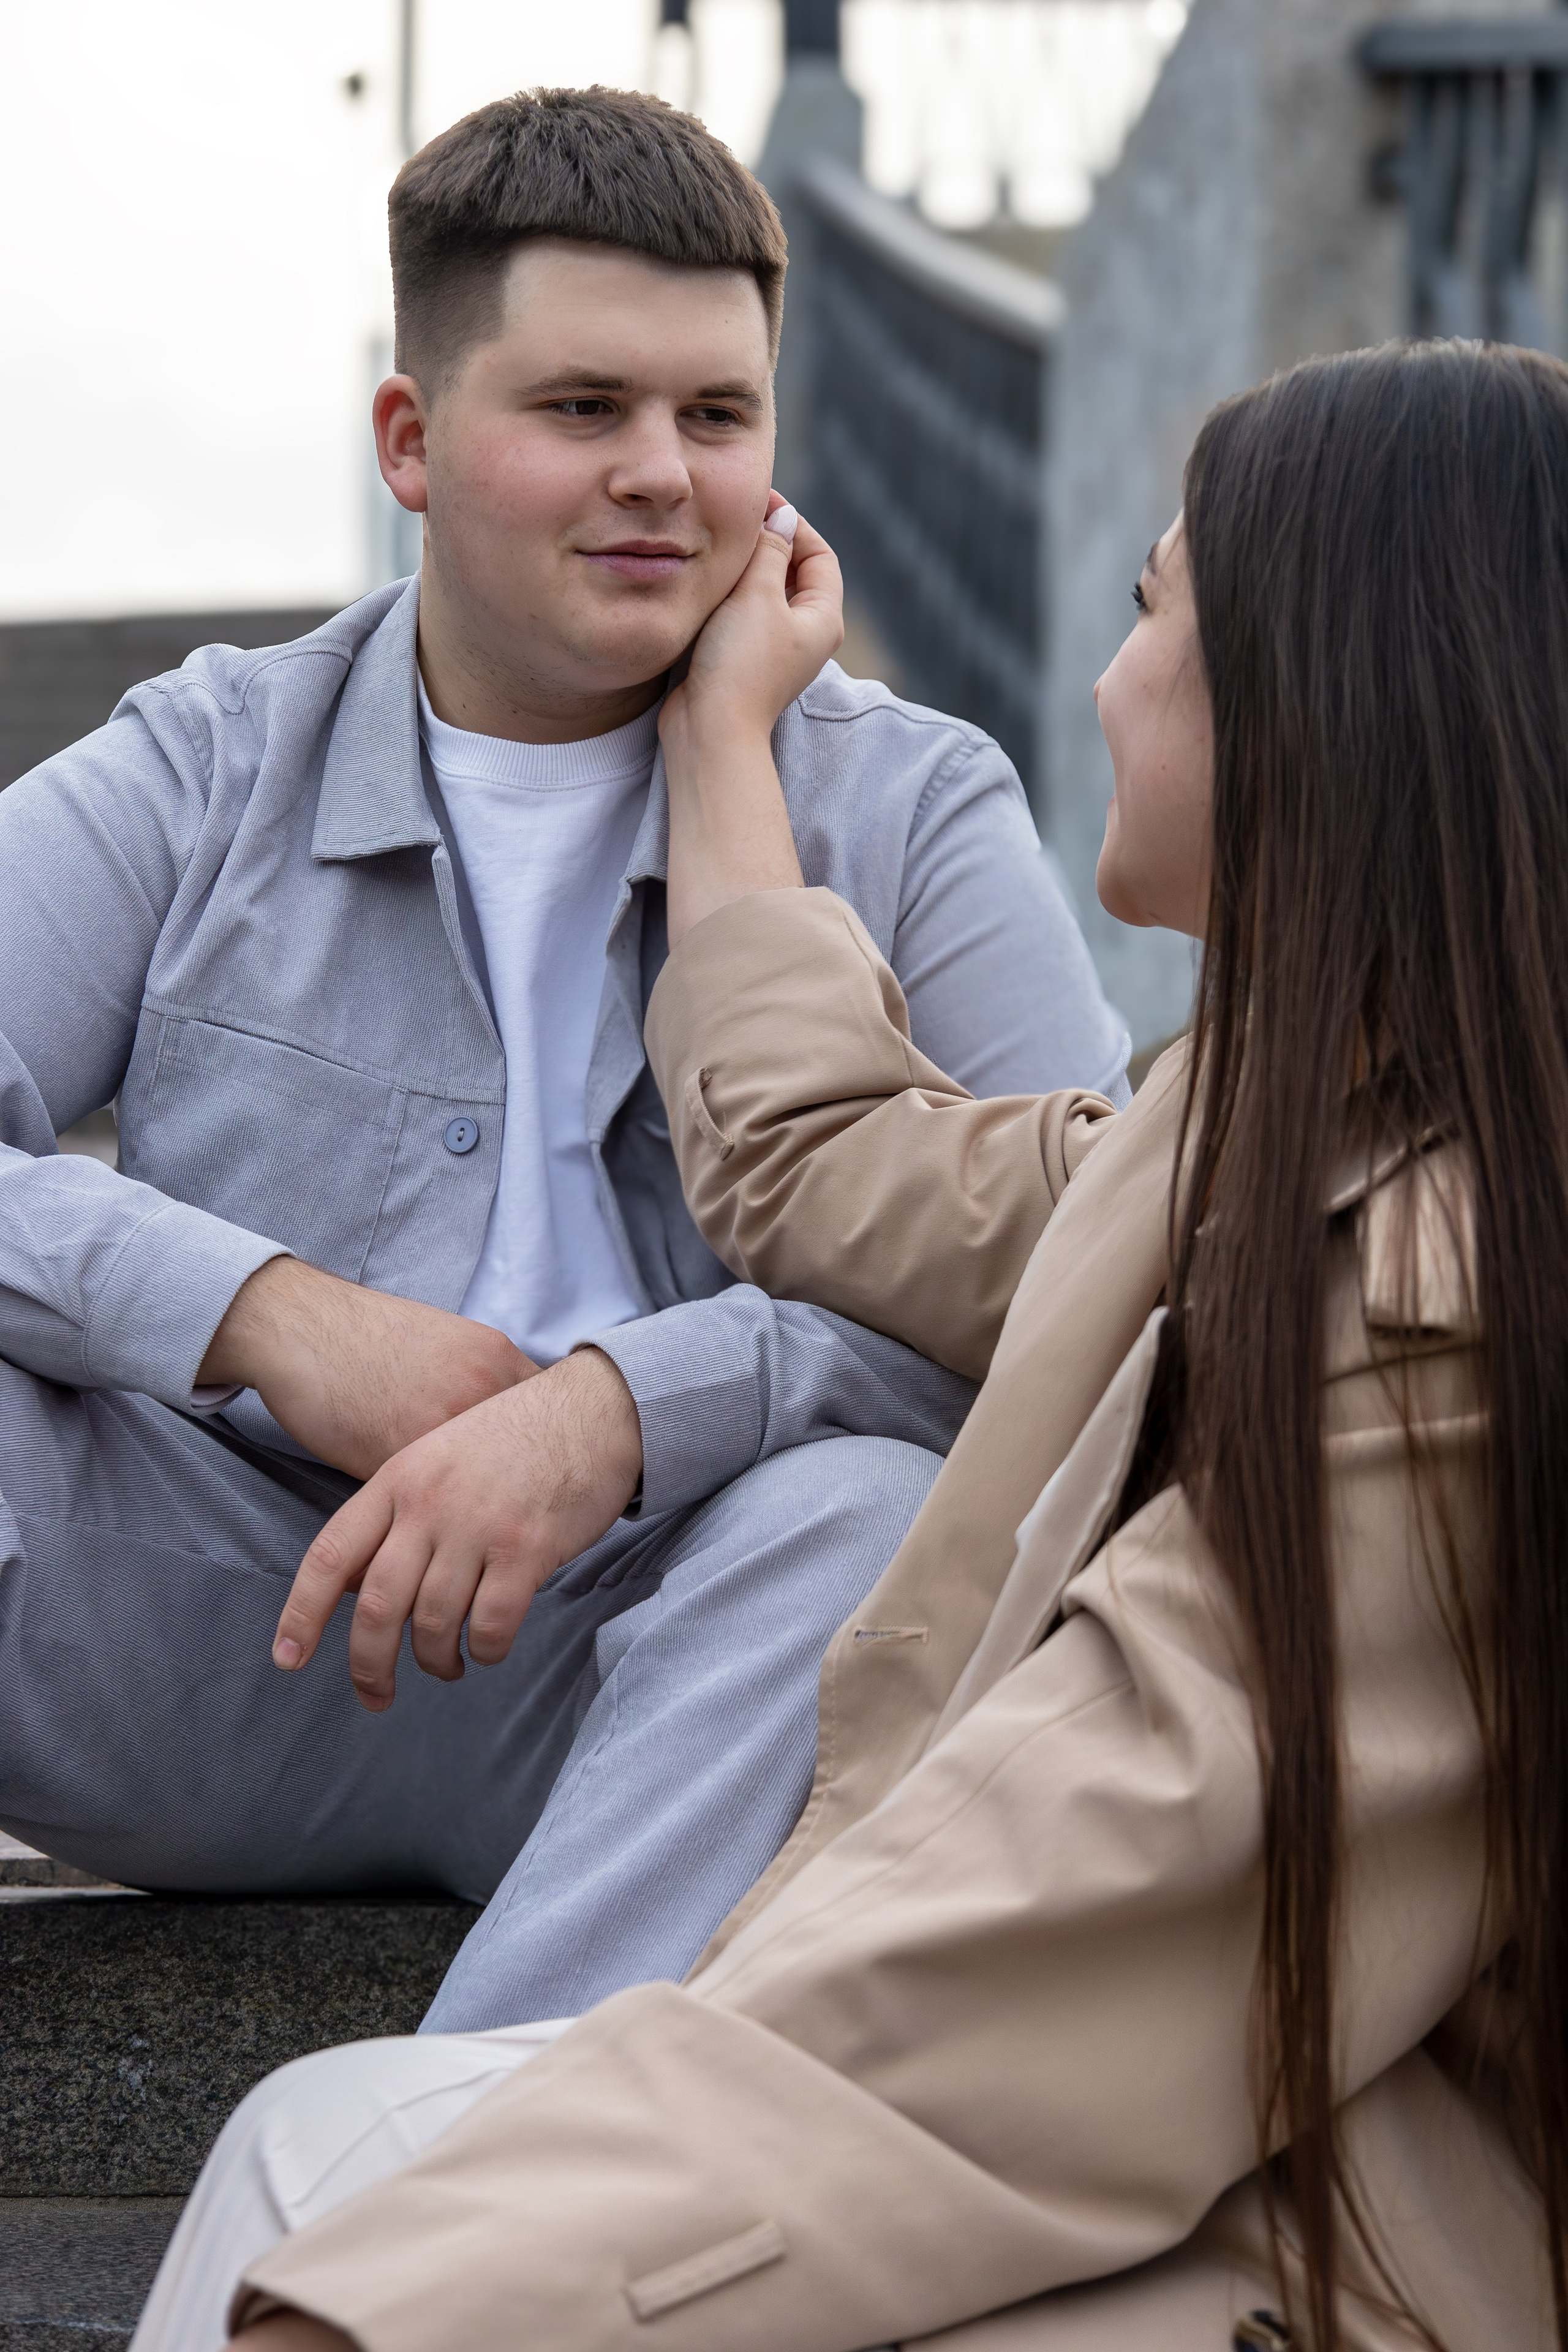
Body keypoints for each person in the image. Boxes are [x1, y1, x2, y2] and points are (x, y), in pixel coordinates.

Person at [140, 336, 1563, 2351]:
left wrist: (434, 2287)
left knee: (360, 2214)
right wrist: (731, 737)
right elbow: (823, 1164)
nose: (1107, 679)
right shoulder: (1227, 1132)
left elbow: (1061, 1925)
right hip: (1181, 2119)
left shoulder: (1446, 1304)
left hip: (1340, 2232)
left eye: (1152, 615)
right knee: (319, 2146)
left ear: (1324, 699)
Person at [0, 88, 1129, 2027]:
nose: (665, 480)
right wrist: (268, 1312)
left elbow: (1091, 1298)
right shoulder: (208, 761)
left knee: (857, 1518)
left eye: (719, 418)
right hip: (231, 1626)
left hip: (703, 1674)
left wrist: (630, 1408)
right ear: (414, 445)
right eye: (585, 410)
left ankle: (442, 2224)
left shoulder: (916, 805)